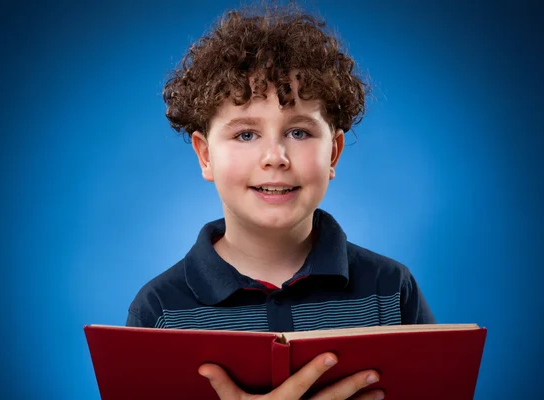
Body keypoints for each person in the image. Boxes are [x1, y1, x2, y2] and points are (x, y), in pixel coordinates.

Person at [126, 3, 435, 399]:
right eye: (246, 135)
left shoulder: (391, 290)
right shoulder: (159, 310)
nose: (275, 156)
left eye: (300, 132)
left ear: (334, 154)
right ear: (205, 156)